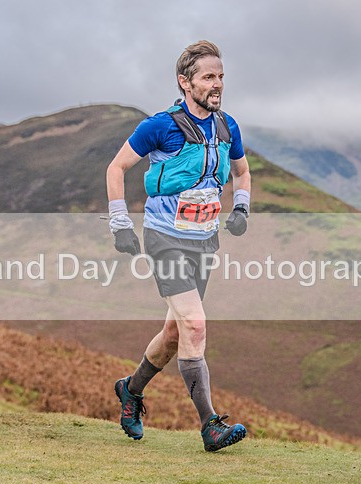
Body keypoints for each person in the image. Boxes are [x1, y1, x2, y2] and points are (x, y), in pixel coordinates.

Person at [106, 40, 252, 451]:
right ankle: (210, 425)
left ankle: (131, 389)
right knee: (195, 323)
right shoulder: (160, 126)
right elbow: (116, 168)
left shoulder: (227, 127)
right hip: (164, 238)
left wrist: (241, 207)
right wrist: (120, 223)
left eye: (221, 76)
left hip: (203, 241)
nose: (217, 84)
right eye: (208, 77)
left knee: (175, 332)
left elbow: (242, 172)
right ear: (185, 82)